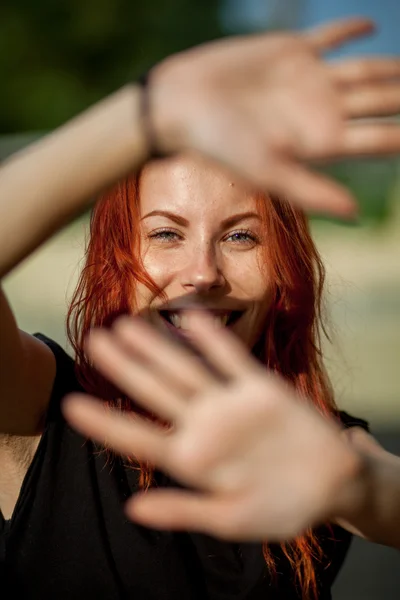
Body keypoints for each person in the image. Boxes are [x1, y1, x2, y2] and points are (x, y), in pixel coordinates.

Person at [1, 15, 400, 600]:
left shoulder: (314, 444)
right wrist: (146, 116)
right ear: (115, 256)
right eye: (166, 234)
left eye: (241, 237)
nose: (203, 273)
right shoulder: (39, 408)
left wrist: (357, 490)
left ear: (284, 267)